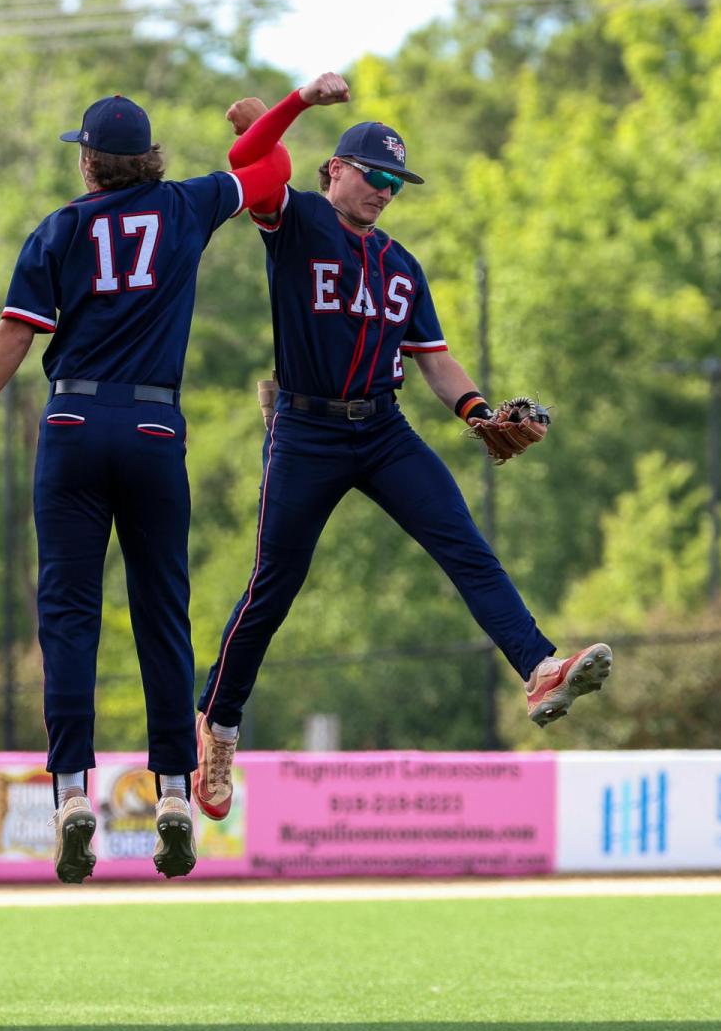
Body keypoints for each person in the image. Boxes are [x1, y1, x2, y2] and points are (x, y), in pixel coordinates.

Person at [0, 82, 344, 882]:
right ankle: (176, 794)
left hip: (73, 426)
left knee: (69, 616)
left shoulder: (60, 229)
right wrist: (282, 110)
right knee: (162, 614)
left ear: (88, 164)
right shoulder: (186, 206)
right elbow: (269, 172)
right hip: (154, 430)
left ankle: (73, 793)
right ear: (147, 160)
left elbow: (16, 330)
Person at [191, 85, 612, 821]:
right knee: (272, 587)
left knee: (465, 546)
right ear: (334, 170)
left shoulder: (401, 265)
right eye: (373, 176)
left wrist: (479, 410)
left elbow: (436, 360)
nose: (385, 192)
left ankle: (541, 669)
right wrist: (295, 101)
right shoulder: (295, 219)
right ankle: (219, 724)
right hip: (306, 427)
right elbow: (249, 159)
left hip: (382, 428)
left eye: (395, 183)